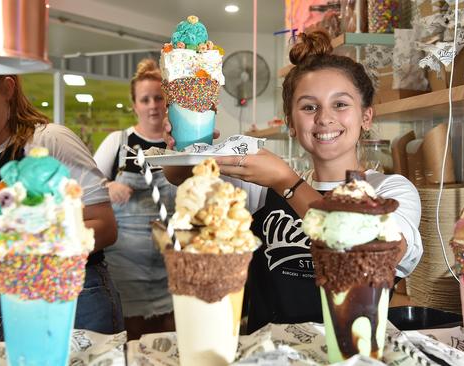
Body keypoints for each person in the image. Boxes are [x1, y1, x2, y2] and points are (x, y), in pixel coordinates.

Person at [164, 30, 422, 333]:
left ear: (366, 116)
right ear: (290, 123)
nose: (324, 118)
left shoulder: (390, 190)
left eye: (340, 104)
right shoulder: (262, 188)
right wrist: (186, 145)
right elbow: (187, 178)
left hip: (349, 355)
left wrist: (288, 183)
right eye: (309, 107)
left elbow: (369, 249)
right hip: (269, 355)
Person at [0, 73, 124, 334]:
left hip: (74, 296)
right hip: (9, 302)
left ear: (8, 89)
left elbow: (103, 227)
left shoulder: (49, 141)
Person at [93, 59, 176, 340]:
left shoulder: (179, 145)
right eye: (145, 99)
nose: (152, 105)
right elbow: (84, 187)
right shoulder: (118, 142)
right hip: (125, 271)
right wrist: (108, 185)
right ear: (135, 106)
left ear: (168, 102)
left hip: (173, 265)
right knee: (133, 341)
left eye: (158, 97)